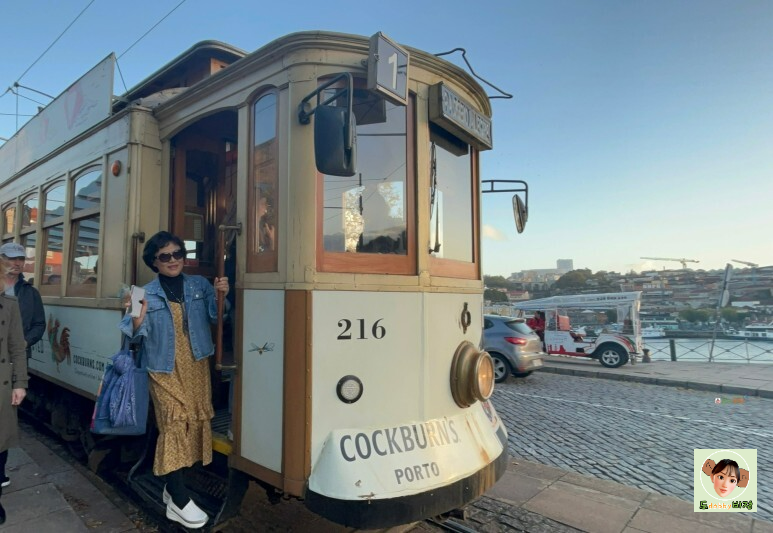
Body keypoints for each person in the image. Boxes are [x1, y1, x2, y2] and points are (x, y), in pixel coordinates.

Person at [119, 231, 228, 529]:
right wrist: (137, 316)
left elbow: (218, 317)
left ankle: (170, 486)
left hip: (196, 364)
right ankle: (179, 501)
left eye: (178, 253)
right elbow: (131, 335)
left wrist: (222, 295)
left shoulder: (199, 285)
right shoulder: (141, 293)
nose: (173, 260)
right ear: (154, 261)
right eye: (165, 256)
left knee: (193, 422)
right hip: (162, 368)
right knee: (173, 423)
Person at [0, 255, 29, 525]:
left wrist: (20, 383)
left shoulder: (9, 304)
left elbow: (17, 347)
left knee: (0, 443)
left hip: (2, 384)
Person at [0, 243, 46, 362]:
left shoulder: (31, 292)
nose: (17, 263)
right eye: (12, 258)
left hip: (17, 356)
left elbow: (39, 323)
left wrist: (25, 342)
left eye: (21, 259)